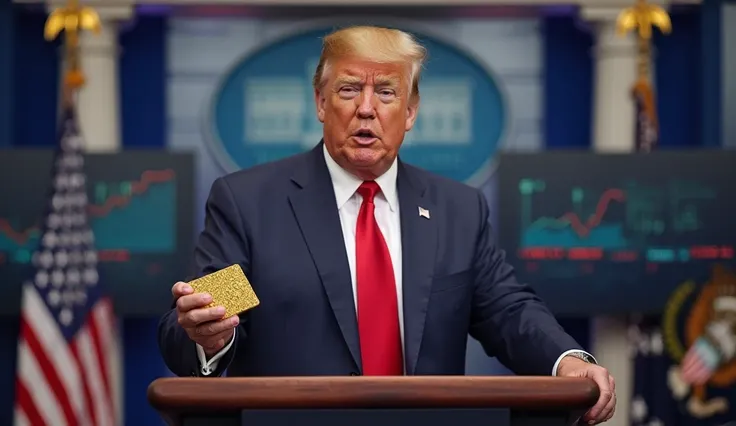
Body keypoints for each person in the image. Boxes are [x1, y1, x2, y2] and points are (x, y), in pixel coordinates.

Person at [158, 25, 616, 424]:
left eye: (387, 92)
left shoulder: (457, 210)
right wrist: (209, 335)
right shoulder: (251, 204)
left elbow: (507, 310)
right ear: (320, 102)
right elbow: (209, 312)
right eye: (349, 89)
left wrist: (568, 361)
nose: (366, 109)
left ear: (411, 112)